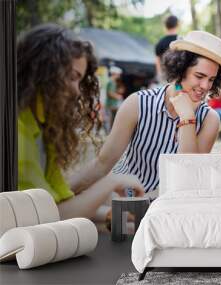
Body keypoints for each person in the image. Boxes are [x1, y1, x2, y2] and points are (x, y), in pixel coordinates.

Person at [69, 31, 221, 198]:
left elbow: (188, 176)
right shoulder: (137, 103)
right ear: (180, 69)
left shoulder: (209, 119)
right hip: (126, 198)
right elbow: (103, 163)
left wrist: (187, 117)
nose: (205, 86)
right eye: (199, 76)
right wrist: (59, 196)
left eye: (211, 79)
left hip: (169, 204)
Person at [17, 24, 144, 220]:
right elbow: (45, 218)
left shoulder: (42, 126)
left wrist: (111, 214)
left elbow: (59, 202)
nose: (77, 90)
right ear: (43, 69)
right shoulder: (17, 128)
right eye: (72, 77)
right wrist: (111, 182)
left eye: (80, 80)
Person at [154, 15, 179, 83]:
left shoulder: (160, 43)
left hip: (165, 75)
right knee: (178, 92)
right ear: (177, 24)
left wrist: (159, 74)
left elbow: (157, 60)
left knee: (166, 92)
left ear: (165, 26)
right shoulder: (181, 41)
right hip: (178, 76)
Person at [105, 66, 124, 131]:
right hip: (110, 105)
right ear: (114, 74)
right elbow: (109, 93)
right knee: (109, 120)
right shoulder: (110, 82)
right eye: (118, 74)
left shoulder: (113, 82)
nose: (119, 76)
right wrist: (117, 96)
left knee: (112, 120)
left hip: (113, 105)